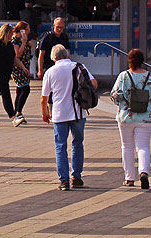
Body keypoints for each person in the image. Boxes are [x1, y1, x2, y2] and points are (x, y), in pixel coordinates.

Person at [41, 44, 97, 190]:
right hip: (78, 112)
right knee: (78, 143)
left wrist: (45, 113)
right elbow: (94, 83)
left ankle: (64, 181)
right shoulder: (79, 66)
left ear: (53, 57)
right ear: (66, 55)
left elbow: (44, 98)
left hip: (59, 114)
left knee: (60, 146)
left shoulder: (50, 72)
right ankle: (76, 177)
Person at [110, 48, 151, 189]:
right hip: (145, 117)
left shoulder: (124, 76)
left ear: (129, 61)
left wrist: (122, 99)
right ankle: (144, 173)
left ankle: (129, 178)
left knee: (127, 146)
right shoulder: (150, 77)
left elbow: (114, 96)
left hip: (126, 116)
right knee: (143, 146)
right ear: (142, 61)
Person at [11, 22, 33, 125]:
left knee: (20, 90)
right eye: (27, 30)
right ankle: (18, 111)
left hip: (25, 67)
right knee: (25, 90)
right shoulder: (16, 40)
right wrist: (24, 42)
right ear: (22, 30)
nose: (29, 32)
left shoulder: (22, 41)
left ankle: (17, 111)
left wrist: (28, 45)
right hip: (18, 68)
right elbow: (17, 55)